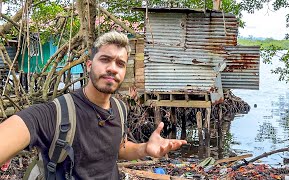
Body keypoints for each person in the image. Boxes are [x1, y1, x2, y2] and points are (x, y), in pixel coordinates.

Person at [0, 31, 187, 179]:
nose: (113, 68)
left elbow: (119, 148)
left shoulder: (120, 109)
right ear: (89, 65)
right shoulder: (57, 113)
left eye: (120, 63)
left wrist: (144, 148)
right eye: (105, 59)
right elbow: (17, 129)